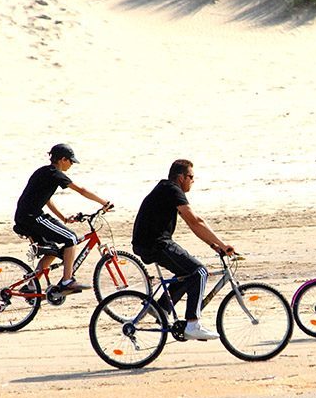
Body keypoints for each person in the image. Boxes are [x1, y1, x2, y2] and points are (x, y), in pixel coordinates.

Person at [132, 159, 233, 341]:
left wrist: (213, 245)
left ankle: (161, 308)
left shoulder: (167, 189)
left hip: (149, 243)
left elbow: (194, 223)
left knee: (187, 273)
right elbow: (196, 221)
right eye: (191, 177)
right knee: (199, 272)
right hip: (156, 243)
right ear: (181, 177)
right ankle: (193, 324)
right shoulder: (172, 190)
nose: (193, 181)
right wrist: (223, 245)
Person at [14, 143, 112, 294]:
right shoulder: (55, 174)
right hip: (32, 216)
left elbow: (46, 198)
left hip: (25, 215)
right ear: (62, 159)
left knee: (51, 250)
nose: (72, 164)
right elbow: (81, 190)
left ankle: (32, 286)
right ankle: (67, 281)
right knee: (71, 238)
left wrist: (64, 218)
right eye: (71, 161)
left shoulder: (43, 172)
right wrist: (104, 202)